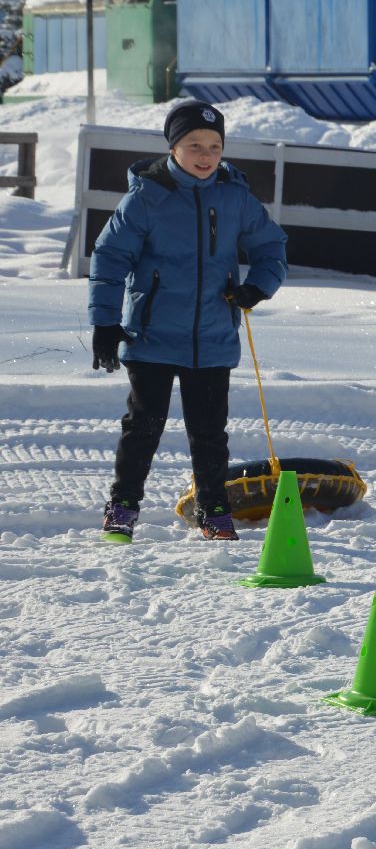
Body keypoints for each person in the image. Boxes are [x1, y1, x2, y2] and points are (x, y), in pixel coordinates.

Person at [89, 100, 288, 542]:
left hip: (213, 336)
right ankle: (122, 507)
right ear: (174, 147)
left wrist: (257, 287)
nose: (205, 155)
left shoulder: (233, 195)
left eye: (214, 146)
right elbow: (109, 258)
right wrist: (104, 324)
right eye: (194, 144)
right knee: (142, 428)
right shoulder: (146, 196)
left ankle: (214, 509)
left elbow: (271, 246)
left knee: (210, 433)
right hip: (152, 334)